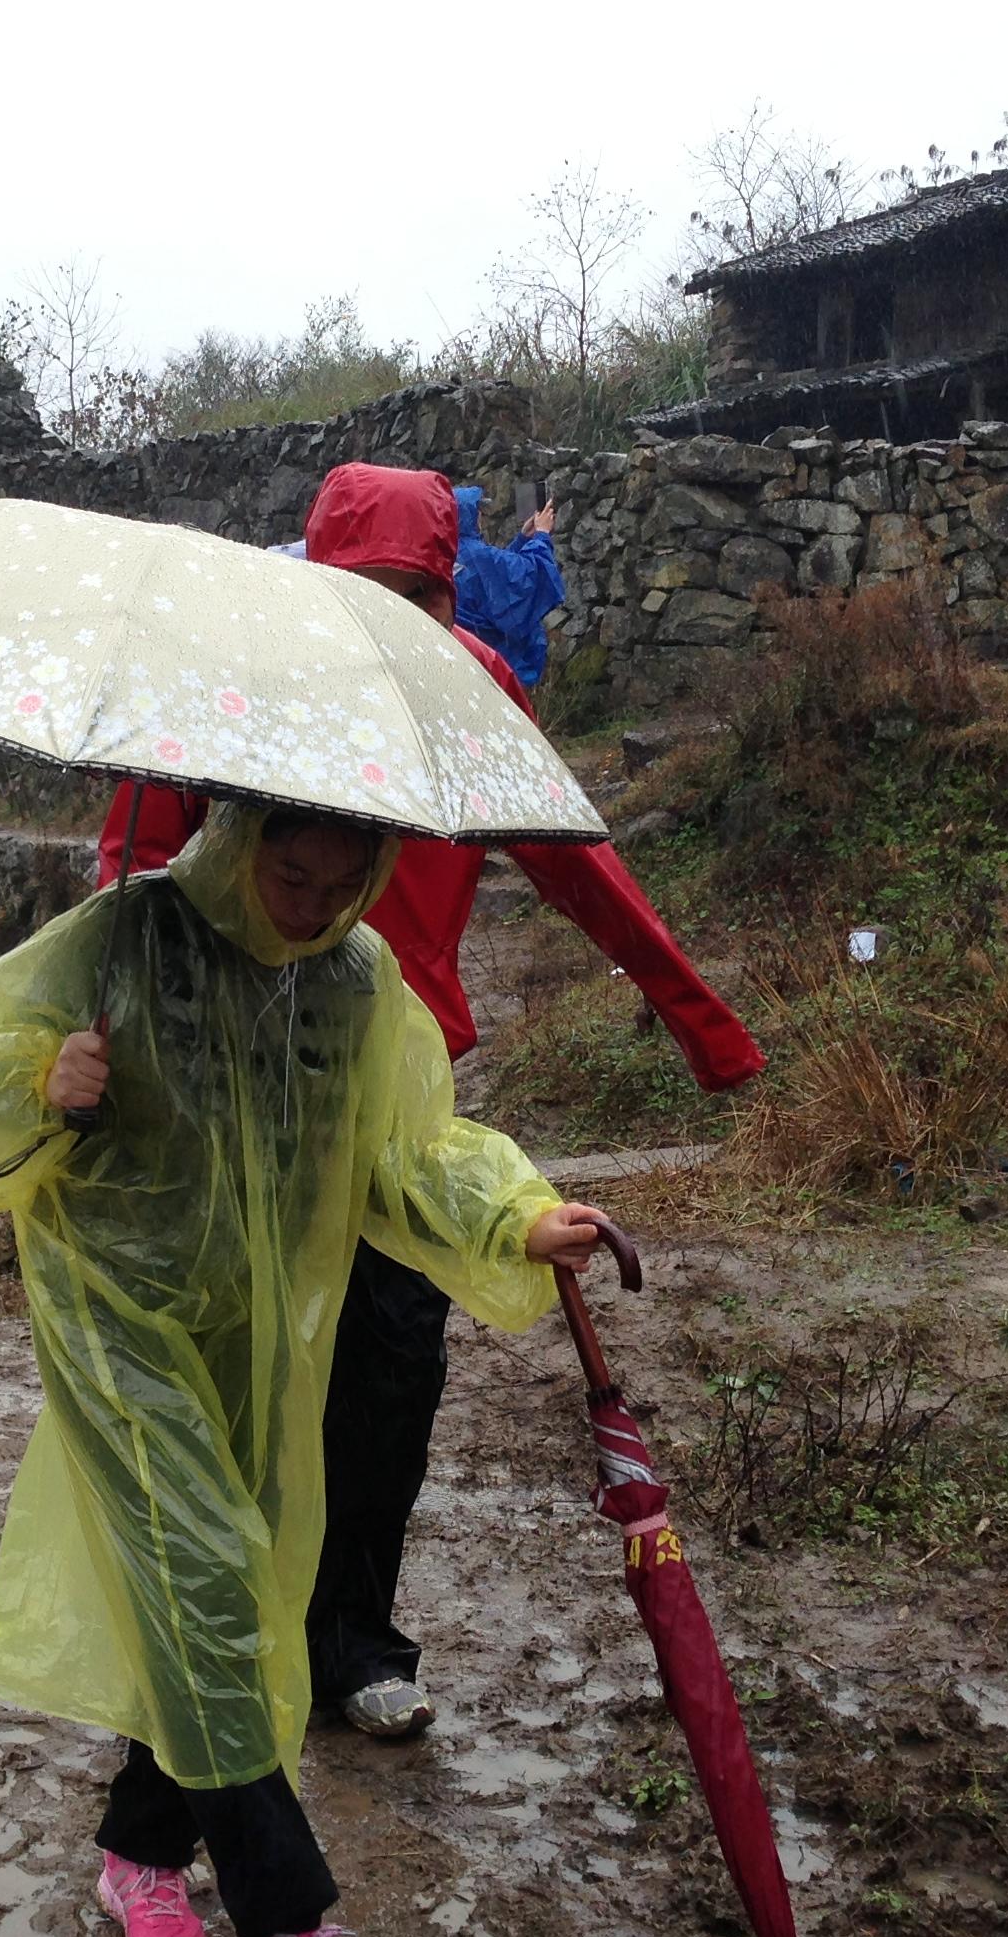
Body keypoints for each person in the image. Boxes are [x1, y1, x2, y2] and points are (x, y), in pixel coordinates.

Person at [0, 801, 615, 1937]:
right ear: (240, 847)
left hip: (268, 1336)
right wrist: (45, 1080)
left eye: (344, 883)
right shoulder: (123, 938)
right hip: (117, 1316)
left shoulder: (358, 976)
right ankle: (285, 1919)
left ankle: (141, 1849)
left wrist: (518, 1214)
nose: (314, 906)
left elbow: (407, 1150)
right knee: (211, 1582)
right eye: (290, 875)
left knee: (216, 1594)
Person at [100, 463, 761, 1740]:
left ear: (446, 595)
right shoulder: (239, 686)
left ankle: (352, 1645)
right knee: (238, 1375)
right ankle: (223, 1646)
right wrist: (112, 1031)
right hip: (238, 1084)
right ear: (316, 578)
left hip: (402, 1106)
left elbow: (576, 859)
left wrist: (702, 1024)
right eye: (364, 592)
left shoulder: (475, 688)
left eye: (414, 595)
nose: (386, 619)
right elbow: (134, 864)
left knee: (387, 1379)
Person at [449, 482, 565, 687]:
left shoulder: (449, 551)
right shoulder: (478, 555)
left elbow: (494, 578)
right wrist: (542, 535)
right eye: (478, 511)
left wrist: (522, 539)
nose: (481, 517)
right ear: (469, 516)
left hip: (461, 655)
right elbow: (527, 576)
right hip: (491, 664)